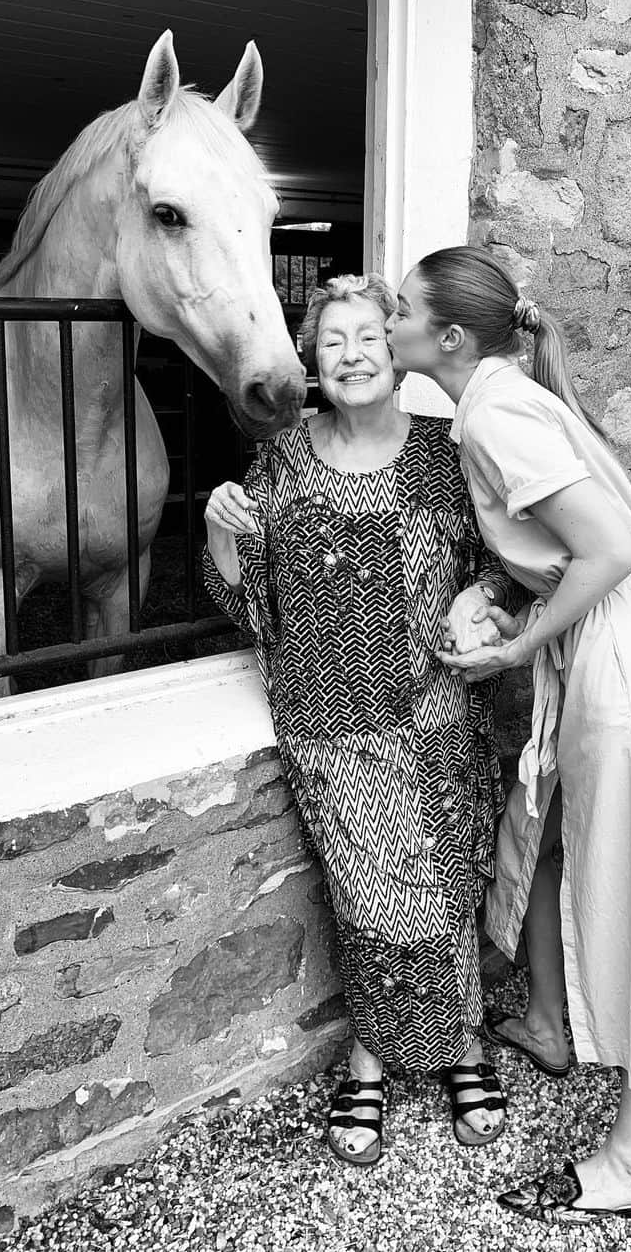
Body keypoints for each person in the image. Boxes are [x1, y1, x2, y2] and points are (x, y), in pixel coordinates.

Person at [387, 246, 631, 1223]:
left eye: (399, 309)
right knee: (544, 840)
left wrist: (519, 648)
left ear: (448, 339)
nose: (386, 322)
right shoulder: (496, 401)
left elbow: (615, 547)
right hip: (610, 653)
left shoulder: (500, 412)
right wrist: (516, 607)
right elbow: (568, 548)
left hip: (628, 669)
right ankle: (549, 1020)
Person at [203, 273, 516, 1166]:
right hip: (329, 732)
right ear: (311, 361)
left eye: (368, 337)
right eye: (332, 341)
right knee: (368, 903)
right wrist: (224, 533)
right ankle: (373, 1054)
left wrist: (480, 595)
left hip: (438, 718)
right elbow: (249, 602)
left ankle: (455, 1046)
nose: (351, 355)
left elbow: (507, 562)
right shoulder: (284, 463)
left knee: (448, 892)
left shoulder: (445, 452)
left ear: (397, 353)